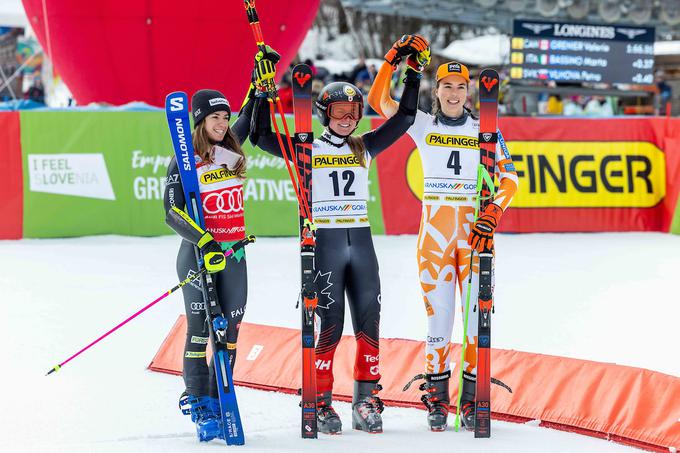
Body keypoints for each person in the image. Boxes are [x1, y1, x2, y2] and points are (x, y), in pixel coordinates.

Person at [249, 35, 430, 435]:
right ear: (323, 113)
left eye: (353, 111)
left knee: (369, 320)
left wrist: (412, 72)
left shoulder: (363, 146)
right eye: (339, 111)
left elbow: (403, 119)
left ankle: (365, 399)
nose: (347, 117)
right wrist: (262, 91)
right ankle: (322, 400)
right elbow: (260, 138)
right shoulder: (305, 147)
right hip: (327, 243)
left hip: (361, 243)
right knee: (329, 325)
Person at [368, 60, 518, 432]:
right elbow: (377, 99)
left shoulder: (486, 129)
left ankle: (470, 400)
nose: (453, 93)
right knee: (439, 317)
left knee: (474, 320)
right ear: (435, 91)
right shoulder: (421, 124)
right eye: (447, 87)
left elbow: (510, 179)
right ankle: (436, 395)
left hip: (475, 234)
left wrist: (494, 213)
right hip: (434, 237)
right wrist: (392, 61)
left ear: (469, 93)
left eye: (460, 87)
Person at [162, 47, 279, 442]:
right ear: (200, 120)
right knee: (199, 332)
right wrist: (204, 240)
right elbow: (171, 213)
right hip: (199, 256)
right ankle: (199, 403)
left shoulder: (228, 151)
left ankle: (218, 396)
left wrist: (260, 79)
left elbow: (249, 114)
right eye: (216, 116)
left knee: (229, 332)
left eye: (225, 116)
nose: (223, 122)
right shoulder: (184, 159)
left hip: (235, 254)